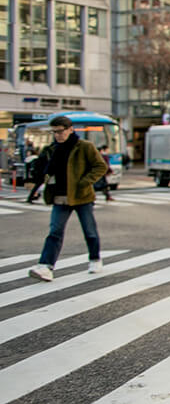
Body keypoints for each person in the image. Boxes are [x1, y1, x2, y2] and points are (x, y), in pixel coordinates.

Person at [27, 116, 109, 282]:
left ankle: (95, 259)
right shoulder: (52, 149)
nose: (58, 135)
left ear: (70, 129)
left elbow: (100, 166)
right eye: (54, 132)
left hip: (81, 195)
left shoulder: (84, 147)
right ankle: (46, 266)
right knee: (55, 231)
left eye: (60, 131)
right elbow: (45, 170)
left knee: (89, 230)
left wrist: (85, 182)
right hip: (59, 196)